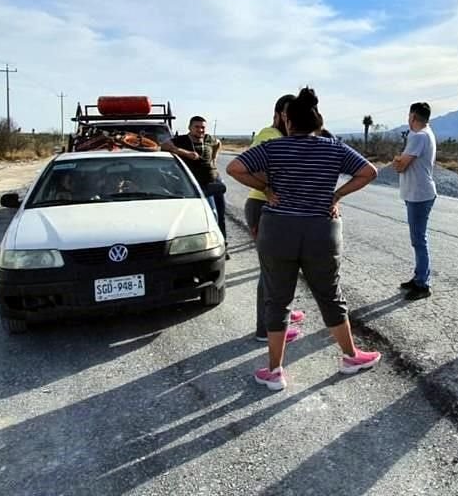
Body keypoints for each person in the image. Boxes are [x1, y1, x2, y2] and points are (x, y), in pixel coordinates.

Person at [226, 87, 382, 391]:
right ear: (317, 121)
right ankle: (350, 356)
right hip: (320, 231)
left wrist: (269, 189)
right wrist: (335, 195)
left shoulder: (274, 148)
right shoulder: (334, 147)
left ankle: (275, 370)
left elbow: (234, 167)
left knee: (277, 299)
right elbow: (369, 171)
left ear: (288, 120)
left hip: (277, 230)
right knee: (329, 295)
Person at [245, 94, 307, 344]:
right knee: (270, 271)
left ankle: (282, 315)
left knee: (281, 267)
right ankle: (265, 329)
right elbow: (247, 166)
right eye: (290, 114)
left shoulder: (282, 137)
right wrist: (268, 187)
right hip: (262, 206)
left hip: (273, 208)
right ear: (281, 114)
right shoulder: (268, 135)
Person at [392, 102, 438, 301]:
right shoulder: (426, 133)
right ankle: (419, 276)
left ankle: (423, 284)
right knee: (418, 238)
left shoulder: (418, 136)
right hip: (417, 193)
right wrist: (400, 161)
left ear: (412, 117)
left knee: (419, 239)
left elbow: (401, 166)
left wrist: (397, 161)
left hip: (419, 195)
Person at [163, 116, 228, 251]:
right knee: (210, 215)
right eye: (197, 127)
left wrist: (214, 158)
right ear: (190, 128)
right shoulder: (181, 140)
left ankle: (223, 245)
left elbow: (218, 143)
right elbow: (164, 146)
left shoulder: (209, 139)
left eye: (203, 127)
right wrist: (184, 153)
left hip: (214, 181)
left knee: (220, 215)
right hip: (196, 185)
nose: (200, 130)